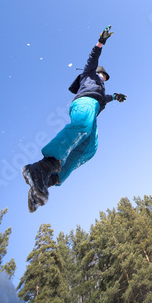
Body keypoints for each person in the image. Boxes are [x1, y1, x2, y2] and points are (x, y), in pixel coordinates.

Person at [21, 25, 127, 212]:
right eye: (103, 75)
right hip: (84, 103)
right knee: (81, 127)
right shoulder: (88, 74)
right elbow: (93, 58)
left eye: (105, 78)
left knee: (89, 149)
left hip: (93, 109)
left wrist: (114, 97)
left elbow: (103, 98)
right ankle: (42, 167)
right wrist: (100, 42)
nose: (104, 78)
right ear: (98, 72)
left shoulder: (100, 89)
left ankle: (48, 181)